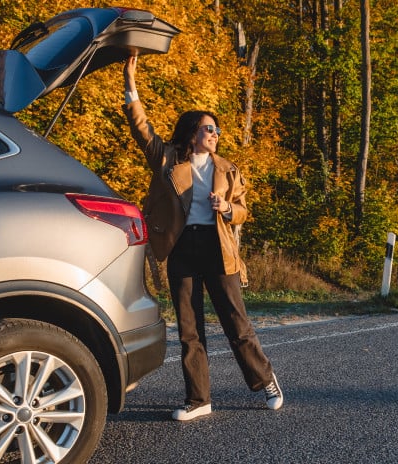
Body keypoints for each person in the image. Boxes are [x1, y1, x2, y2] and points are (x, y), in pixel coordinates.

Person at [121, 55, 283, 421]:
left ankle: (266, 380)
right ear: (193, 130)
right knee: (189, 330)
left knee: (236, 324)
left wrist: (227, 208)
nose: (214, 134)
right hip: (182, 248)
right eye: (209, 128)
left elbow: (243, 211)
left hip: (218, 248)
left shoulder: (227, 170)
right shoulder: (167, 160)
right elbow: (141, 126)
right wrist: (130, 83)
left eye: (217, 130)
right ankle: (198, 399)